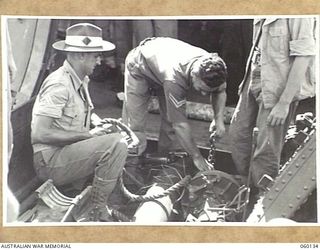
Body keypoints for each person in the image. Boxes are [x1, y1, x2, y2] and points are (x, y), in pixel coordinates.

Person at [31, 23, 128, 221]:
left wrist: (98, 124)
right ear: (80, 55)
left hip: (64, 154)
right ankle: (96, 209)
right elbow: (40, 134)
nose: (99, 61)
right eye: (95, 56)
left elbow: (83, 113)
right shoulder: (59, 84)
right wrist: (88, 135)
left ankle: (94, 197)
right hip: (50, 162)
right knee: (117, 144)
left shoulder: (80, 78)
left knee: (115, 138)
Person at [229, 18, 316, 191]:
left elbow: (304, 55)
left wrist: (284, 103)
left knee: (266, 150)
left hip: (279, 83)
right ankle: (248, 191)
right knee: (238, 135)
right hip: (255, 74)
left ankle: (262, 202)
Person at [122, 37, 228, 172]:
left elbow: (220, 91)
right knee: (134, 127)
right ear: (194, 75)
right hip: (139, 66)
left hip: (164, 66)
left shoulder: (217, 68)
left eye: (208, 92)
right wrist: (197, 156)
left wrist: (218, 120)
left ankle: (167, 171)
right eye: (201, 89)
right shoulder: (174, 80)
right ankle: (129, 174)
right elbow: (180, 125)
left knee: (170, 125)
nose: (203, 95)